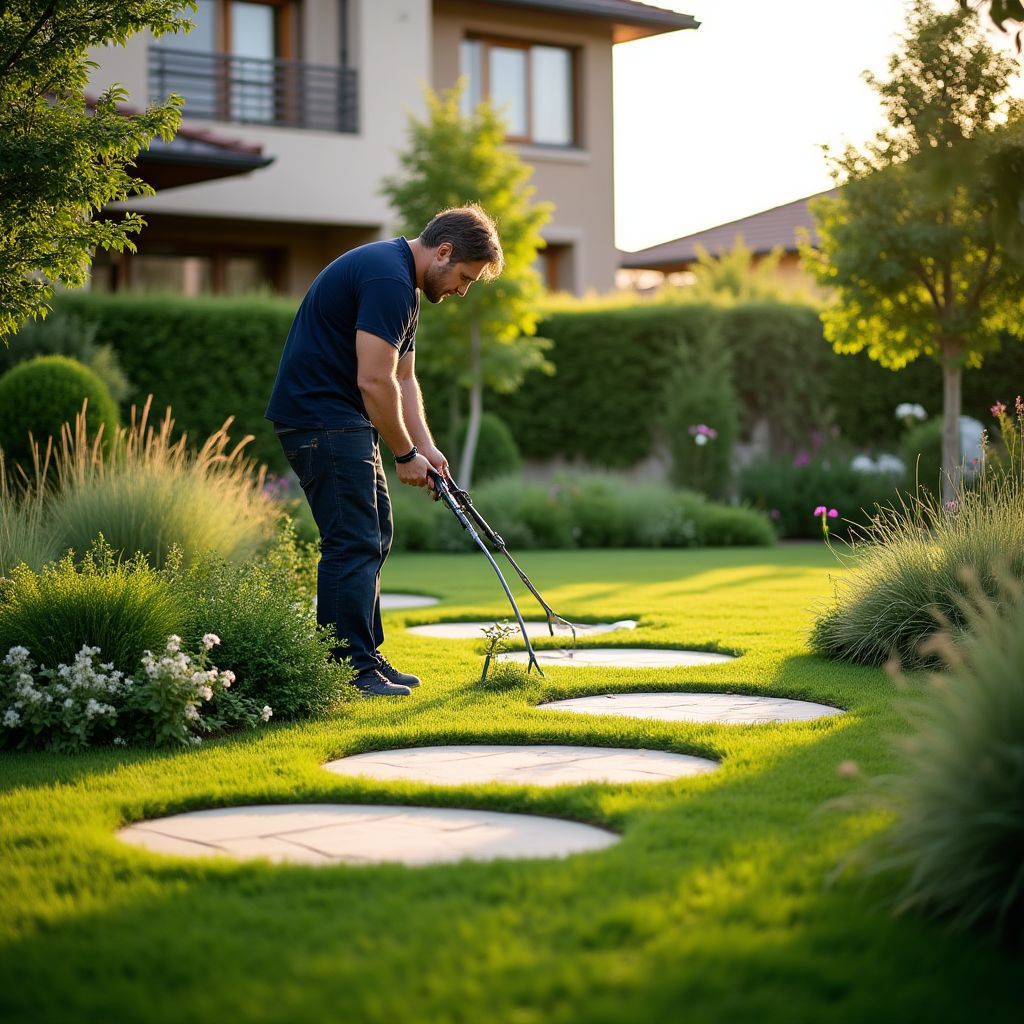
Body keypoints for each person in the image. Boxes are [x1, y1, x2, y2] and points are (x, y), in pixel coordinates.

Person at [265, 205, 504, 696]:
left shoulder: (403, 286)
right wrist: (402, 455)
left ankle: (365, 656)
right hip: (321, 420)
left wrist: (425, 448)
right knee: (353, 538)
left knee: (374, 532)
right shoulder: (387, 280)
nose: (462, 290)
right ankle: (347, 670)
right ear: (444, 251)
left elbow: (402, 378)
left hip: (339, 422)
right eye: (464, 277)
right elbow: (372, 379)